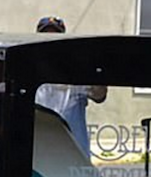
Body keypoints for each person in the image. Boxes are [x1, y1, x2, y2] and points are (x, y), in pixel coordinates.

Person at [34, 15, 107, 157]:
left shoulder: (76, 69)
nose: (50, 42)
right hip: (42, 152)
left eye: (55, 37)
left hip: (74, 155)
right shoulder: (32, 70)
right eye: (45, 37)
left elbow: (100, 94)